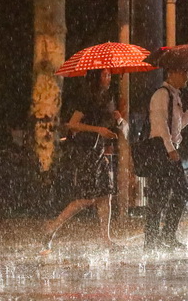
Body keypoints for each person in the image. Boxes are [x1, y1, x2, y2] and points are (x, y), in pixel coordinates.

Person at [40, 68, 127, 255]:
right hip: (87, 151)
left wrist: (116, 118)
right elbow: (72, 124)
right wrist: (98, 130)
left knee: (106, 194)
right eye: (105, 75)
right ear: (96, 77)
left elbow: (108, 122)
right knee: (86, 198)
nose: (109, 78)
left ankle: (106, 239)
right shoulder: (86, 96)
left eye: (110, 75)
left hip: (101, 150)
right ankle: (52, 227)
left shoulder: (107, 97)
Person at [144, 69, 188, 251]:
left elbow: (177, 126)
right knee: (163, 195)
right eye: (183, 72)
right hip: (161, 151)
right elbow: (160, 125)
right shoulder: (162, 95)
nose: (187, 75)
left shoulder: (175, 95)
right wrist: (170, 149)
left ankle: (163, 236)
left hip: (169, 150)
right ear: (171, 74)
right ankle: (155, 239)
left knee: (172, 193)